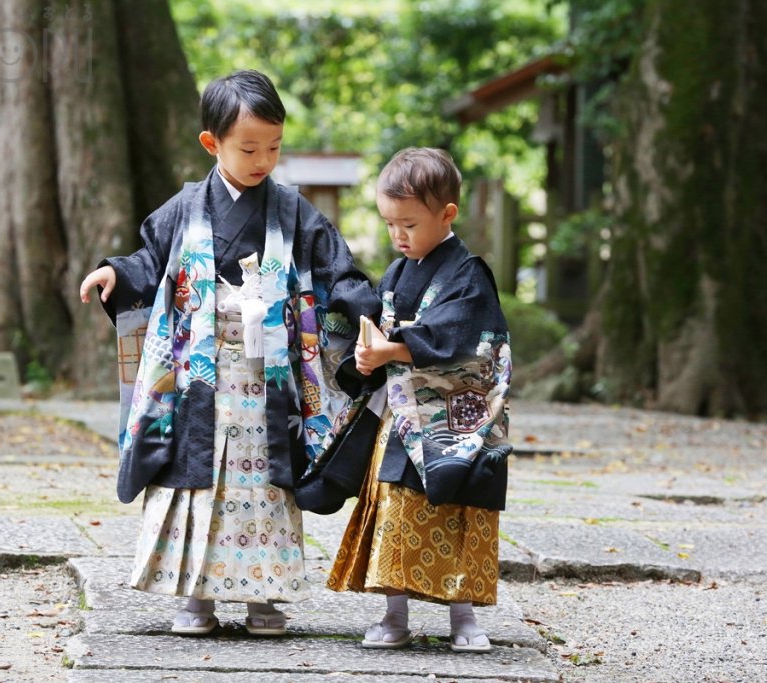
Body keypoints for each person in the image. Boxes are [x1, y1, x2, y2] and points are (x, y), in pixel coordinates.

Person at [79, 69, 379, 636]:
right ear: (211, 143)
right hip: (199, 373)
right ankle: (196, 596)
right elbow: (150, 262)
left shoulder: (294, 211)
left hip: (269, 379)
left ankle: (264, 596)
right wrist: (116, 273)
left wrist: (366, 310)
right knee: (194, 480)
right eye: (249, 148)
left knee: (268, 483)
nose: (263, 160)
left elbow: (338, 272)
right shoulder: (186, 206)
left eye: (274, 147)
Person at [307, 148, 512, 652]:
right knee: (394, 512)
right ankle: (394, 615)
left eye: (409, 224)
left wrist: (392, 349)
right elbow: (375, 328)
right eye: (390, 224)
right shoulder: (400, 272)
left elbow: (466, 337)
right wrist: (365, 354)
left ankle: (464, 618)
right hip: (400, 417)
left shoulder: (468, 273)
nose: (398, 236)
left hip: (455, 423)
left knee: (459, 510)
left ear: (447, 215)